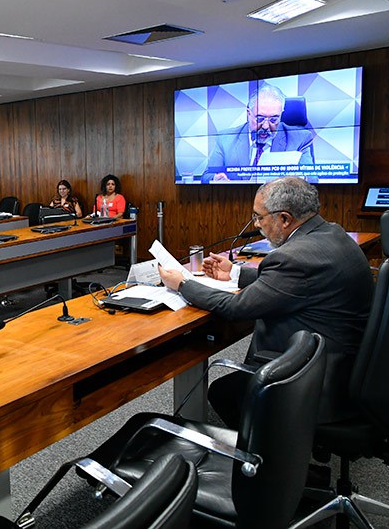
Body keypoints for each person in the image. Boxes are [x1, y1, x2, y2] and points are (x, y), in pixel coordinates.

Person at [157, 176, 372, 426]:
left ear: (284, 218)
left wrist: (182, 284)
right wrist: (235, 273)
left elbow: (235, 308)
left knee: (222, 392)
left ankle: (268, 458)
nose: (257, 224)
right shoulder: (332, 233)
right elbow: (291, 281)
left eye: (259, 217)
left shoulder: (295, 257)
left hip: (316, 380)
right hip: (346, 366)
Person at [202, 85, 314, 183]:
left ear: (281, 115)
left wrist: (296, 178)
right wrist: (216, 179)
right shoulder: (225, 139)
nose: (266, 126)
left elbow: (312, 178)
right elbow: (206, 176)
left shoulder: (300, 138)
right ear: (248, 114)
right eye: (260, 119)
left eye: (273, 120)